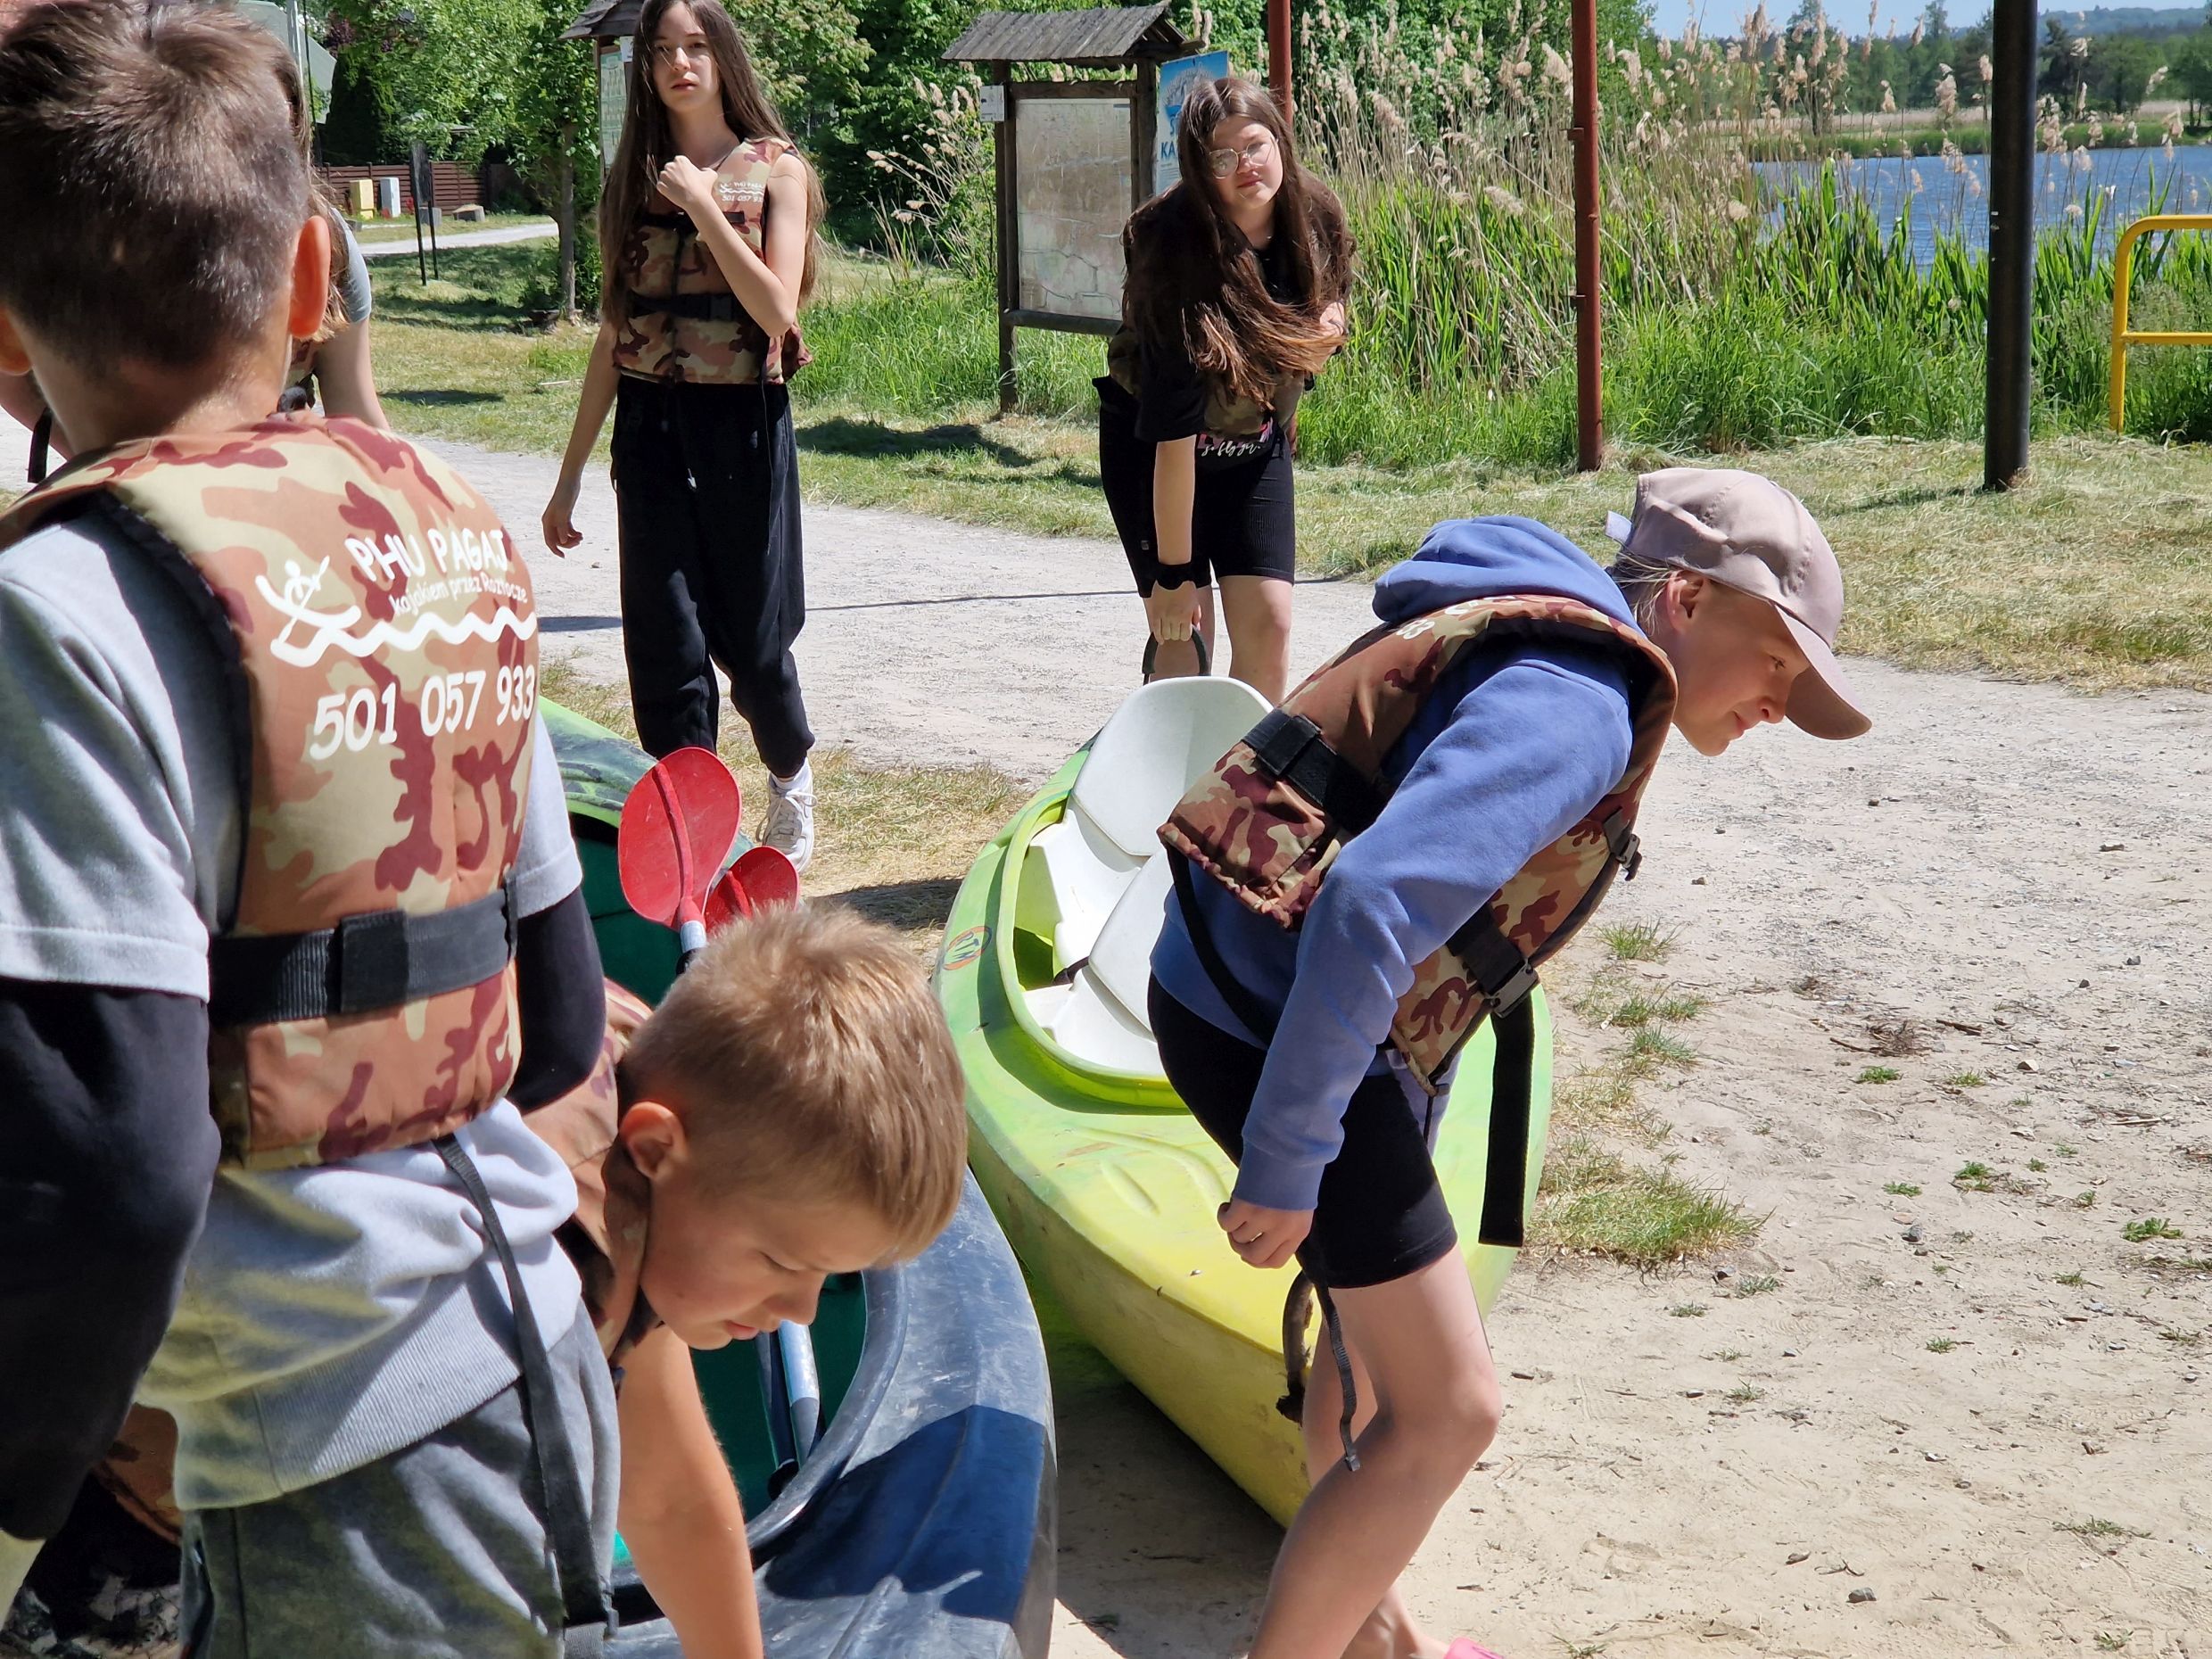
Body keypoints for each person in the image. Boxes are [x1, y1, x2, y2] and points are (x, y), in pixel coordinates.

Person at [0, 5, 618, 1655]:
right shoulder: (436, 533)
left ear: (4, 329)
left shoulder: (55, 611)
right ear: (308, 278)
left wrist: (18, 1492)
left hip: (327, 1450)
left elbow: (117, 1171)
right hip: (533, 1363)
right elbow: (559, 1021)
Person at [1149, 470, 1873, 1659]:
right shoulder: (1579, 707)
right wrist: (1289, 1159)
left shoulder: (1560, 657)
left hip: (1249, 990)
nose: (1779, 707)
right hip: (1271, 1019)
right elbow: (1372, 907)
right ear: (1688, 598)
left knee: (1377, 1374)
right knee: (1449, 1411)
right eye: (1777, 664)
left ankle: (1378, 1642)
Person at [9, 904, 973, 1659]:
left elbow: (672, 1497)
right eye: (785, 1262)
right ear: (653, 1150)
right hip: (113, 1511)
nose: (798, 1310)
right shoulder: (527, 1255)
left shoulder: (646, 1152)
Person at [542, 0, 823, 872]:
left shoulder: (776, 170)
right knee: (664, 644)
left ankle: (790, 775)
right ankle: (692, 835)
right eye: (663, 49)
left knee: (756, 646)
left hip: (740, 426)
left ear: (722, 57)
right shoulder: (632, 180)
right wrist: (569, 477)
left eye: (696, 46)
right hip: (650, 427)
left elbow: (776, 311)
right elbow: (612, 336)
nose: (679, 63)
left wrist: (705, 207)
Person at [1, 43, 385, 485]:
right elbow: (11, 380)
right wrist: (103, 462)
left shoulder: (329, 241)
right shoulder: (128, 228)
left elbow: (355, 405)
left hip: (280, 484)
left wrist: (392, 495)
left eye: (267, 130)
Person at [1098, 76, 1353, 701]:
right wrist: (1172, 576)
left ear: (1280, 142)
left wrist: (1330, 325)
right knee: (1184, 641)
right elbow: (1173, 436)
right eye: (1221, 156)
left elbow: (1332, 301)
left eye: (1256, 145)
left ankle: (1240, 766)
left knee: (1270, 624)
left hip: (1251, 446)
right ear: (1197, 168)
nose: (1245, 166)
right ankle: (1168, 762)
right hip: (1157, 453)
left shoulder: (1317, 215)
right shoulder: (1171, 252)